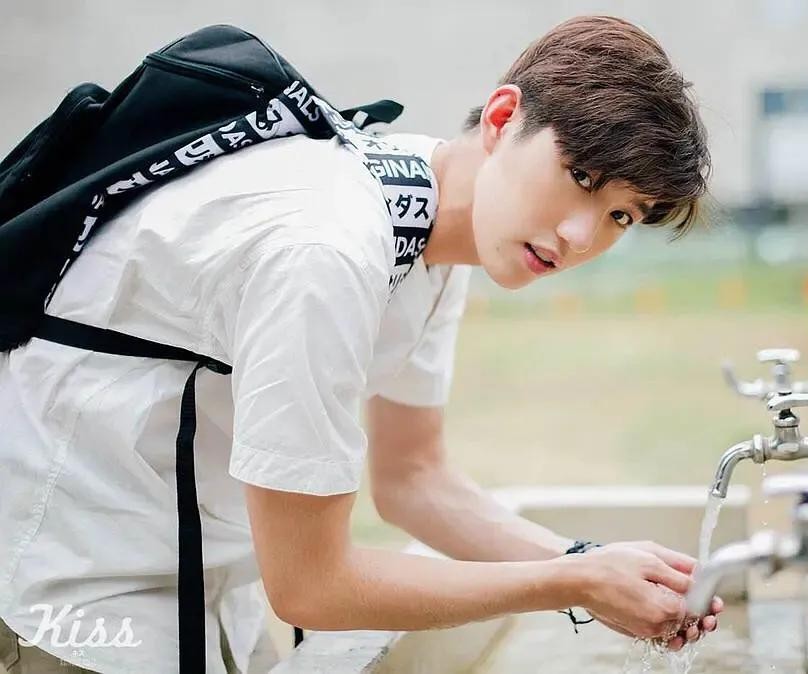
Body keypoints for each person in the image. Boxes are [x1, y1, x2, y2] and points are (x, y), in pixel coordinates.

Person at [0, 14, 718, 674]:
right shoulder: (332, 248)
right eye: (581, 177)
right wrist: (572, 584)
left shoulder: (434, 226)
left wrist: (591, 562)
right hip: (73, 591)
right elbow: (311, 587)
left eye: (621, 215)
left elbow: (414, 481)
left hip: (203, 579)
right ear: (503, 119)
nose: (580, 235)